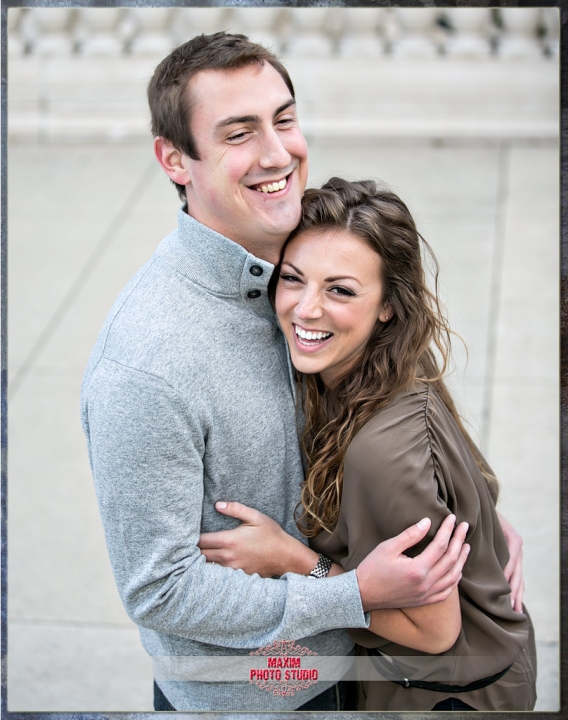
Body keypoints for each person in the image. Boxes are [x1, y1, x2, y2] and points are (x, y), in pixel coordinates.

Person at [81, 32, 521, 712]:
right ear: (174, 158)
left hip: (358, 667)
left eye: (284, 118)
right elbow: (160, 589)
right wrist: (347, 590)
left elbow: (398, 356)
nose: (278, 152)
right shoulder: (145, 365)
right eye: (238, 133)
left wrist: (472, 512)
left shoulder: (302, 248)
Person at [199, 177, 537, 711]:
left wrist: (291, 560)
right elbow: (462, 466)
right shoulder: (389, 360)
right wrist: (486, 518)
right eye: (293, 278)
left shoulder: (378, 455)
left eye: (341, 290)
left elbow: (433, 632)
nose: (306, 309)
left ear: (387, 306)